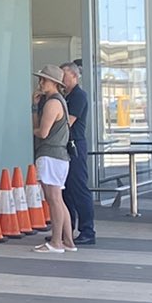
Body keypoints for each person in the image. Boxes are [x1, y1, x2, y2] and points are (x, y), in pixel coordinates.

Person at [33, 67, 78, 254]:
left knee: (53, 200)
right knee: (58, 199)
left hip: (50, 154)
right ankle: (68, 241)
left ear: (54, 83)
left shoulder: (52, 103)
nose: (41, 83)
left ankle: (56, 241)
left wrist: (33, 129)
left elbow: (43, 132)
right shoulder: (60, 101)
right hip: (59, 156)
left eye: (44, 80)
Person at [60, 60, 97, 245]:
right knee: (65, 190)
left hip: (75, 145)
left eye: (64, 76)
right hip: (64, 145)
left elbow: (68, 121)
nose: (61, 80)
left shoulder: (79, 96)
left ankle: (87, 230)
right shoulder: (64, 96)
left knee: (78, 187)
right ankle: (67, 229)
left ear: (74, 76)